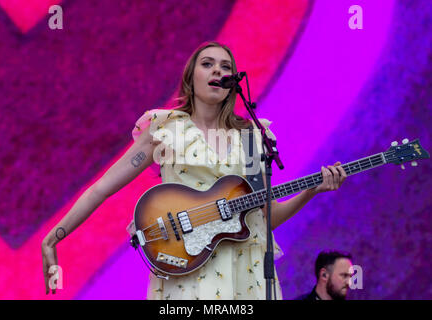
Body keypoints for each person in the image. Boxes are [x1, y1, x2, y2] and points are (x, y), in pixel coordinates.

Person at [41, 41, 347, 299]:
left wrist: (312, 190)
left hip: (247, 272)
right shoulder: (166, 131)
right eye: (208, 64)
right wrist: (52, 239)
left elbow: (264, 218)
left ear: (233, 84)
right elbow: (101, 188)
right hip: (187, 269)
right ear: (191, 78)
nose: (218, 71)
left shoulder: (252, 138)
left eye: (226, 67)